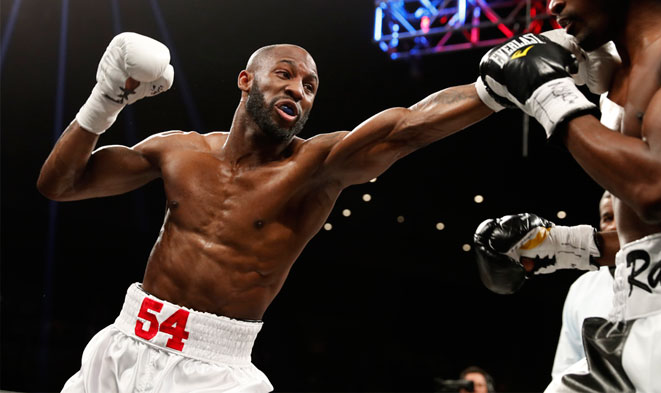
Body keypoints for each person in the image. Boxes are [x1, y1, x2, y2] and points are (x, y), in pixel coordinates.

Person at [37, 32, 494, 391]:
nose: (298, 89)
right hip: (125, 342)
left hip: (214, 372)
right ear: (246, 80)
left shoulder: (315, 167)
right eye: (285, 74)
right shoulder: (179, 151)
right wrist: (106, 99)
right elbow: (60, 184)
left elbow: (407, 126)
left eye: (310, 86)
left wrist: (493, 86)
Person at [472, 0, 661, 393]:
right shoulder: (612, 77)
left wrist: (548, 95)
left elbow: (656, 191)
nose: (553, 2)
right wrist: (565, 246)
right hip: (634, 310)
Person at [551, 191, 616, 379]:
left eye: (620, 216)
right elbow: (565, 369)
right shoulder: (582, 288)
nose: (613, 225)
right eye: (607, 218)